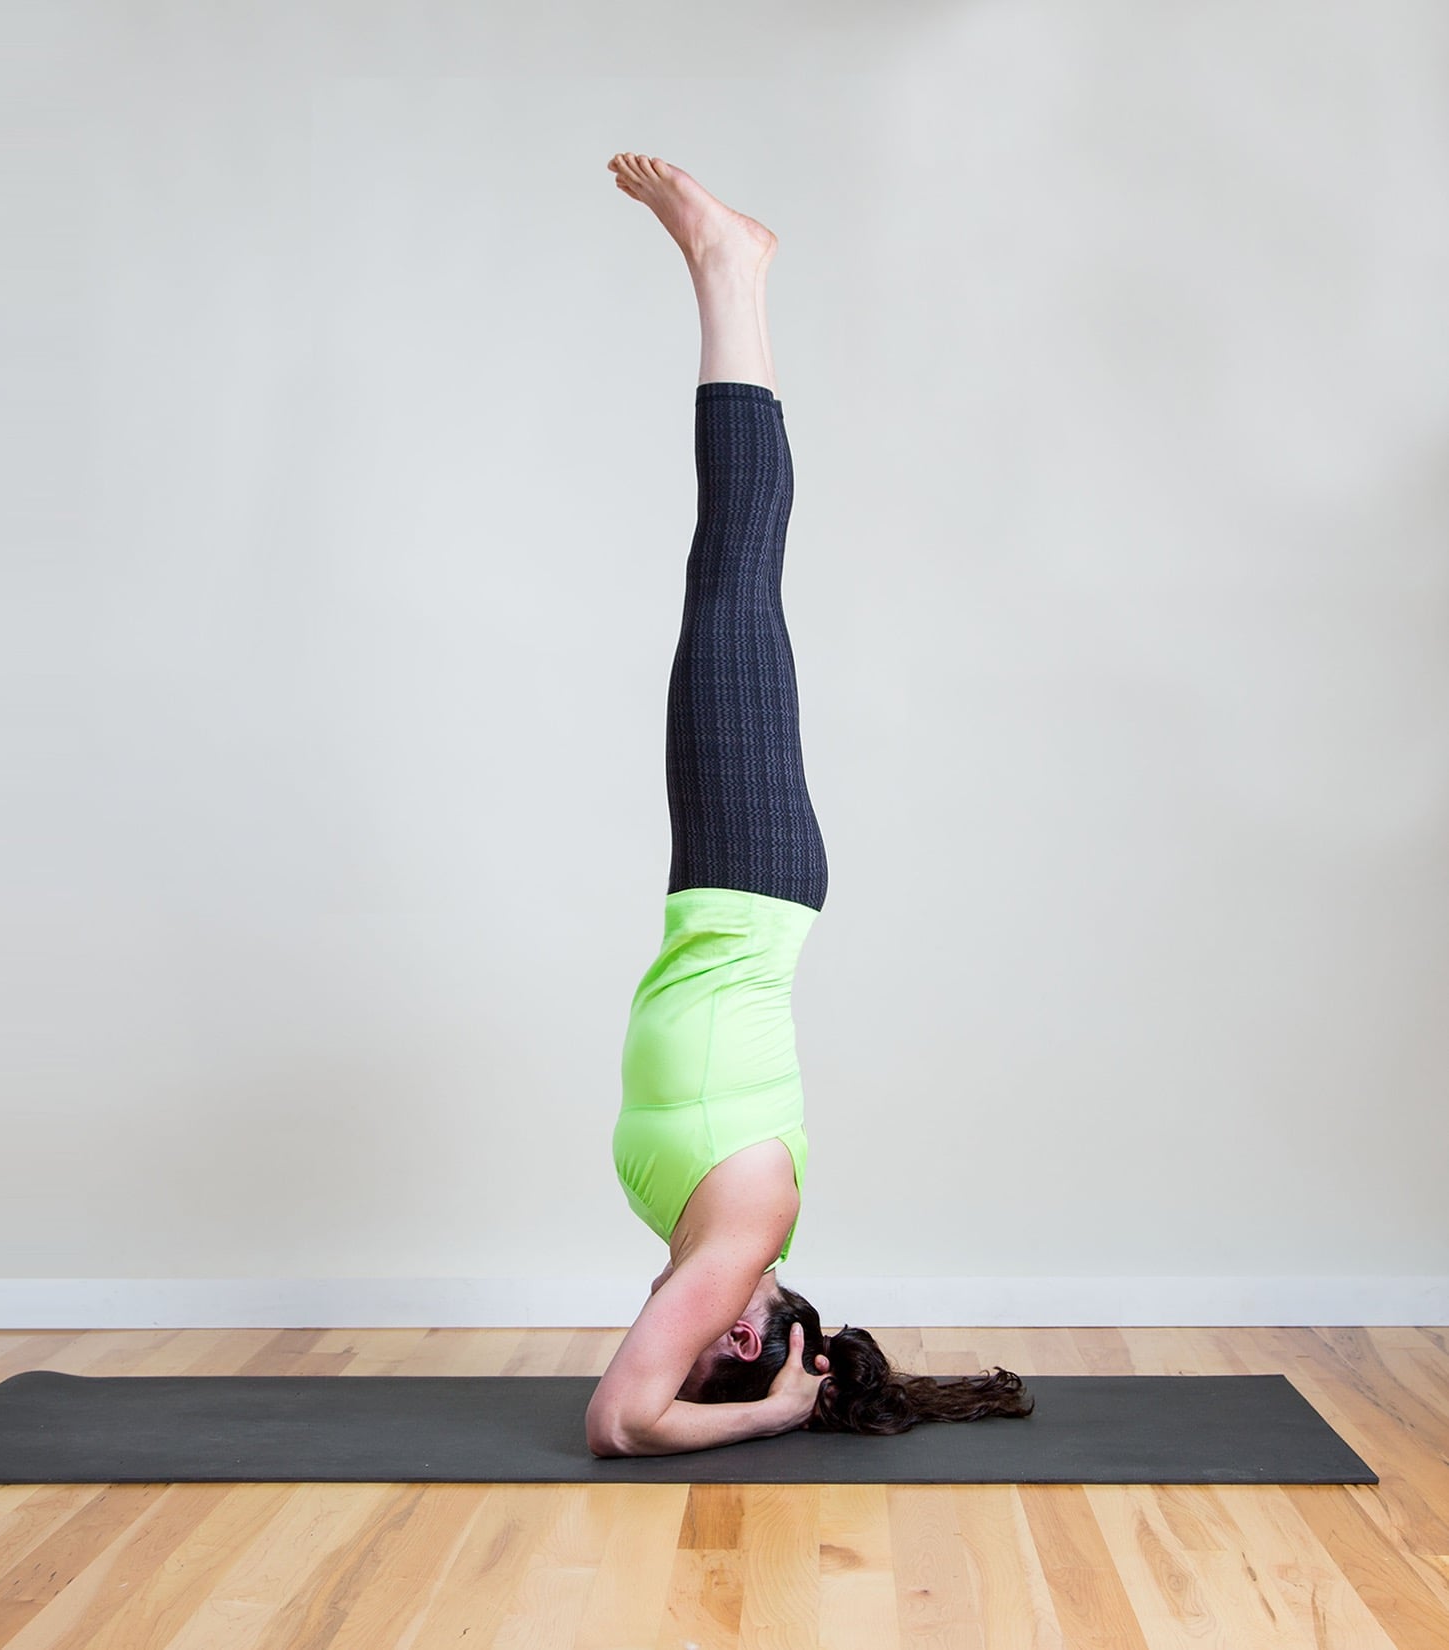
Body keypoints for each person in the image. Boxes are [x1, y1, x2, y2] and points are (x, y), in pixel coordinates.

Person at [586, 154, 1035, 1458]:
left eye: (729, 1362)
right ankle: (733, 268)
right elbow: (622, 1419)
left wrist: (770, 1385)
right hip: (751, 880)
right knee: (732, 564)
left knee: (726, 570)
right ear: (767, 1319)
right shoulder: (736, 1238)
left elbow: (635, 1399)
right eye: (759, 1340)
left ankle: (731, 271)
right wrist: (785, 1405)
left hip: (726, 879)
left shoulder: (688, 1227)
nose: (723, 1335)